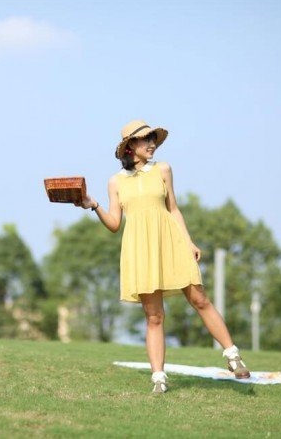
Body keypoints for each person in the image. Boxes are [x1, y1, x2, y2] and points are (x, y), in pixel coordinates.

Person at [74, 119, 250, 394]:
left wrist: (188, 240)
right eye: (145, 139)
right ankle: (159, 376)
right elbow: (114, 224)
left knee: (199, 298)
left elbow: (174, 209)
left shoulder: (164, 170)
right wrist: (93, 205)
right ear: (130, 146)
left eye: (152, 138)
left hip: (170, 240)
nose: (151, 143)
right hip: (140, 248)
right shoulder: (116, 182)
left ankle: (232, 355)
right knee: (154, 316)